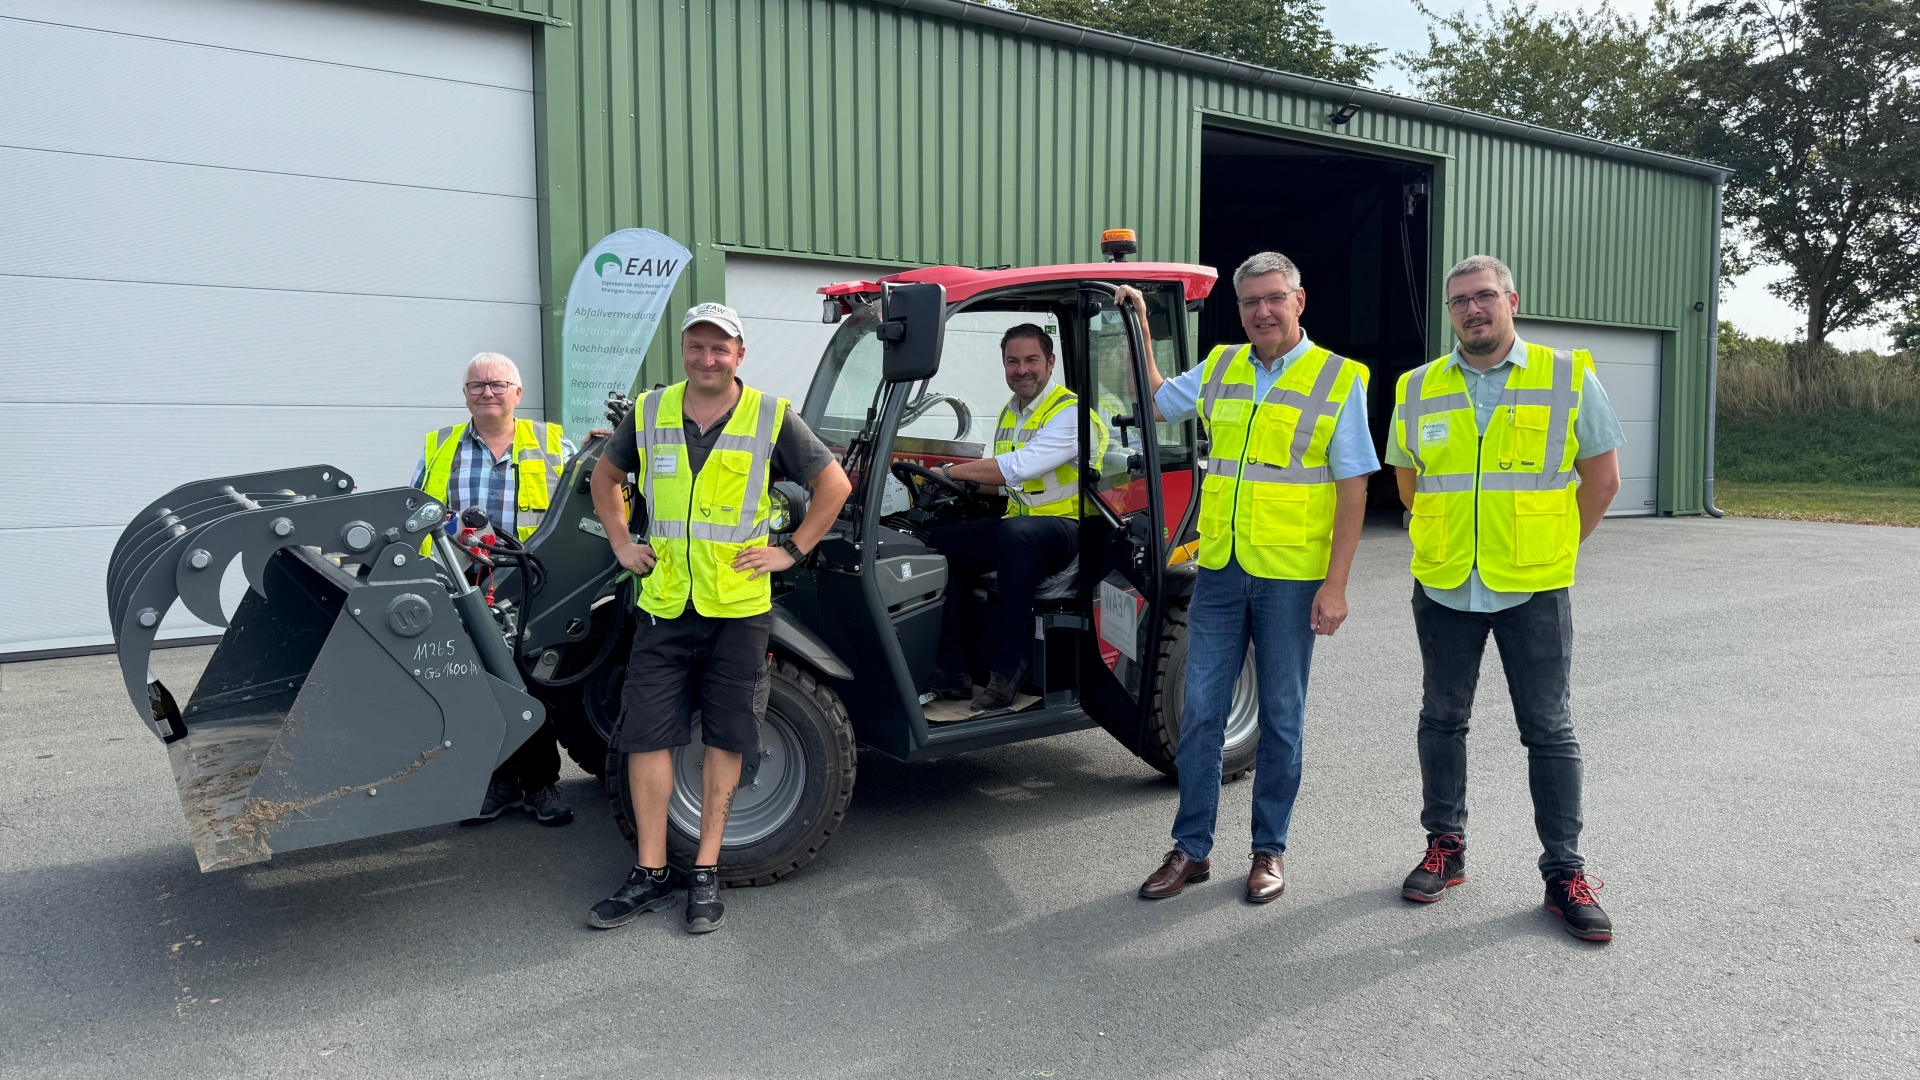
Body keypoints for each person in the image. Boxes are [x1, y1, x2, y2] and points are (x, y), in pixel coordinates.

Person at [584, 302, 852, 934]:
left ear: (739, 354)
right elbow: (606, 477)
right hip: (665, 604)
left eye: (720, 348)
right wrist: (622, 544)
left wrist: (792, 549)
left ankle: (703, 870)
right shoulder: (651, 412)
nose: (708, 358)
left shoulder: (771, 415)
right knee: (646, 736)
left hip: (737, 607)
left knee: (729, 736)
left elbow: (834, 485)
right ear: (684, 351)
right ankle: (650, 872)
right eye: (697, 347)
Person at [1388, 255, 1624, 942]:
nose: (1473, 310)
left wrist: (1552, 549)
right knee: (1442, 717)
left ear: (1512, 300)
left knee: (1549, 729)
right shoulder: (1419, 386)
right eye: (1460, 301)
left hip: (1534, 587)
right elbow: (1408, 484)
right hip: (1445, 582)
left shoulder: (1568, 376)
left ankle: (1565, 873)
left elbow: (1602, 480)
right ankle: (1445, 849)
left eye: (1485, 296)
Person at [1132, 252, 1379, 904]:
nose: (1262, 312)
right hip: (1219, 570)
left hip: (1291, 579)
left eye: (1274, 298)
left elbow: (1354, 488)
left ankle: (1269, 849)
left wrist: (1337, 585)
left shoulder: (1338, 379)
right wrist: (1138, 321)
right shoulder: (1221, 366)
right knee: (1201, 714)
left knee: (1280, 719)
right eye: (1250, 302)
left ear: (1300, 300)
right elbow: (1159, 403)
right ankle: (1192, 850)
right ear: (1238, 309)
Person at [414, 352, 577, 828]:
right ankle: (498, 782)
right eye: (477, 385)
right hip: (464, 585)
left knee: (532, 683)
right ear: (465, 395)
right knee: (476, 683)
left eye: (498, 384)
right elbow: (419, 510)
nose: (488, 392)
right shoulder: (440, 446)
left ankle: (541, 784)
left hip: (531, 585)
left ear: (518, 393)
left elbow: (578, 500)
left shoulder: (550, 442)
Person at [923, 324, 1105, 713]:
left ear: (1050, 363)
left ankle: (1008, 667)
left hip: (1069, 530)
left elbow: (1017, 468)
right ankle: (952, 671)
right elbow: (1005, 488)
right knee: (935, 543)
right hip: (1020, 521)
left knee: (1016, 535)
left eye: (1031, 360)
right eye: (1012, 361)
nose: (1021, 369)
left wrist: (953, 472)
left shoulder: (1071, 413)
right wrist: (949, 489)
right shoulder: (1011, 412)